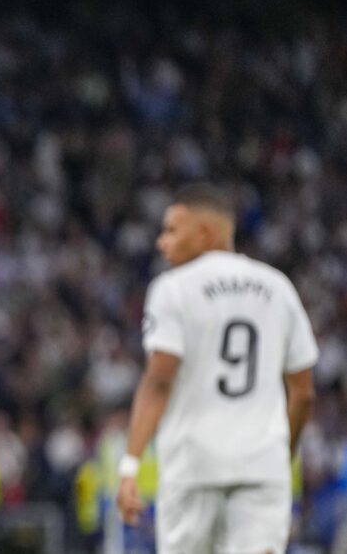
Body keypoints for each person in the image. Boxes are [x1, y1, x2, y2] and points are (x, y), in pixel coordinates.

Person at [116, 184, 318, 553]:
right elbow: (303, 392)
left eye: (172, 230)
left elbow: (159, 381)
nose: (162, 242)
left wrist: (130, 465)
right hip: (261, 471)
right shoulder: (279, 288)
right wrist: (279, 453)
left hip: (193, 468)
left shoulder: (173, 289)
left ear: (205, 233)